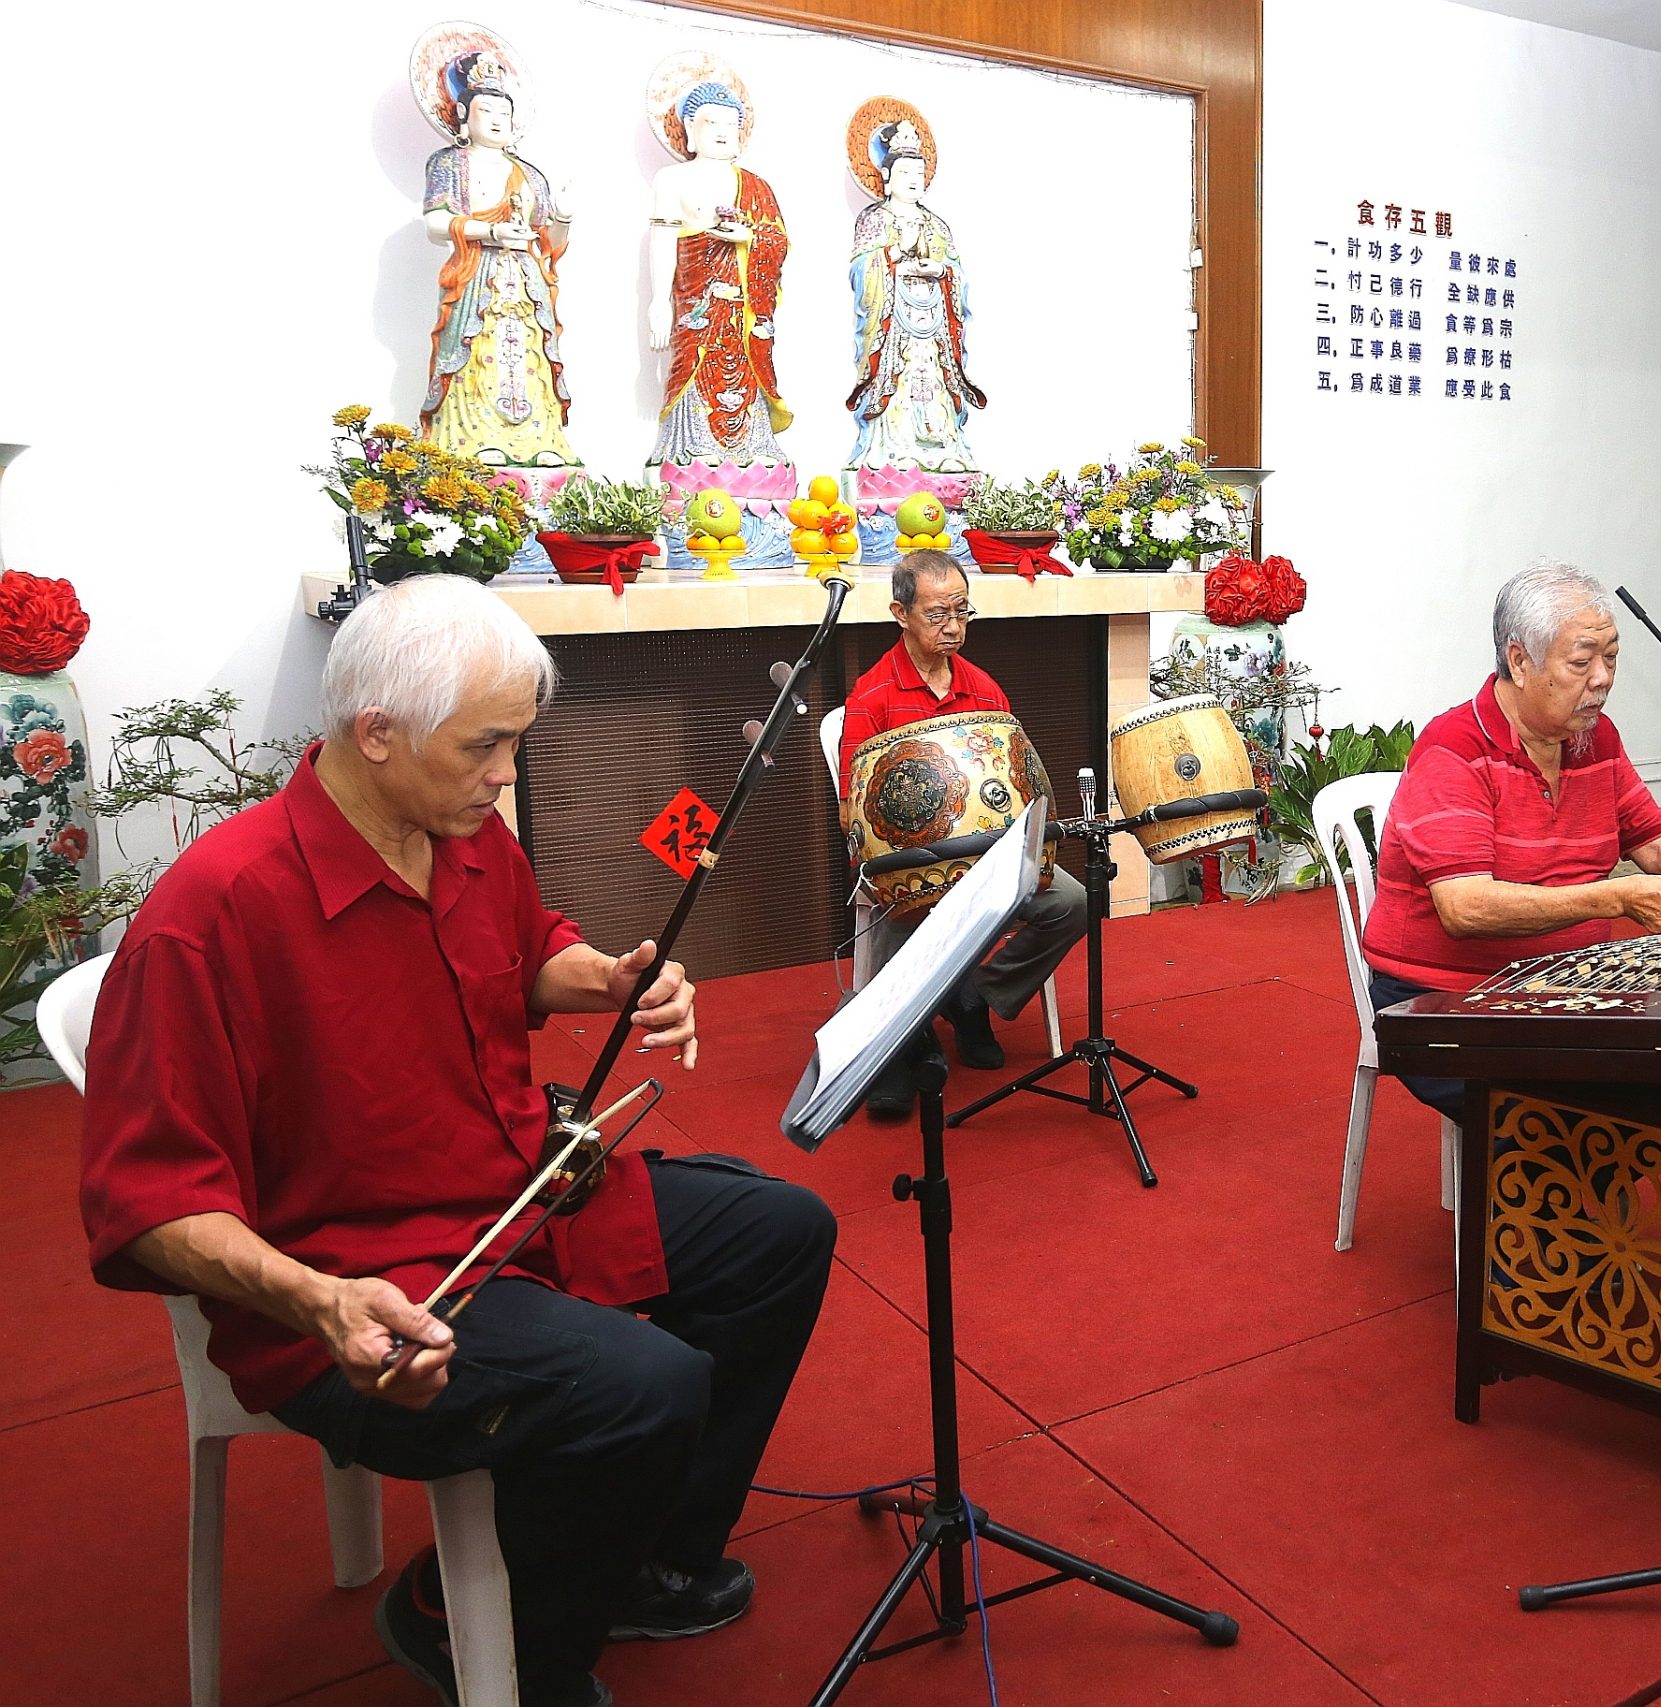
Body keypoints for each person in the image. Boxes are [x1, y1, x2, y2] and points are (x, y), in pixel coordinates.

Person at [78, 577, 835, 1707]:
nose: (508, 775)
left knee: (782, 1232)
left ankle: (643, 1555)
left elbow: (529, 953)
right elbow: (146, 1204)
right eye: (488, 746)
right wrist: (321, 1302)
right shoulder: (212, 914)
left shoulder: (466, 836)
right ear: (375, 734)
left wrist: (608, 980)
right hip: (360, 1277)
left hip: (511, 1190)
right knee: (646, 1387)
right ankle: (480, 1632)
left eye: (518, 744)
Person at [1360, 562, 1661, 1119]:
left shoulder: (1593, 738)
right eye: (1582, 662)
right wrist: (1616, 898)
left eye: (1611, 658)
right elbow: (1464, 908)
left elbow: (1653, 841)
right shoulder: (1455, 748)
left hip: (1567, 984)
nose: (1603, 678)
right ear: (1520, 661)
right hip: (1448, 1000)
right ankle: (1555, 1199)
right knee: (1577, 1107)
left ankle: (1578, 1195)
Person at [838, 549, 1085, 1117]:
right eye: (937, 614)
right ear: (900, 613)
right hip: (910, 864)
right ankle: (900, 1043)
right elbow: (851, 805)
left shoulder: (984, 690)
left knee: (1073, 900)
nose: (953, 627)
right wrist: (887, 866)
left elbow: (1017, 784)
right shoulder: (872, 697)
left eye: (962, 612)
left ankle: (974, 995)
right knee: (905, 913)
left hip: (987, 856)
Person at [418, 50, 576, 469]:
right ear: (463, 115)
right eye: (484, 110)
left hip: (525, 282)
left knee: (529, 359)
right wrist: (490, 231)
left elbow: (551, 243)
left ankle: (539, 441)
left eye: (504, 113)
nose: (495, 120)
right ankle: (472, 440)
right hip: (477, 275)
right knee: (474, 355)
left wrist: (563, 214)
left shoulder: (530, 174)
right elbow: (436, 223)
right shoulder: (450, 163)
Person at [648, 80, 795, 523]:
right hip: (698, 305)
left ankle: (754, 450)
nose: (722, 131)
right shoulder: (671, 179)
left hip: (745, 313)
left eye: (732, 124)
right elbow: (662, 239)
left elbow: (778, 241)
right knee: (694, 370)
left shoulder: (757, 186)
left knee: (749, 367)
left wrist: (748, 236)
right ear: (689, 130)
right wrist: (657, 301)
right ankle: (691, 448)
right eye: (711, 122)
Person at [846, 111, 986, 476]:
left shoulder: (936, 224)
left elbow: (957, 272)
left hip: (934, 326)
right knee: (901, 382)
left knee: (935, 379)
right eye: (905, 173)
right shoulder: (874, 219)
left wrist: (940, 270)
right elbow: (860, 268)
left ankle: (944, 449)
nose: (914, 181)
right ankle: (893, 449)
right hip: (894, 326)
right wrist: (894, 258)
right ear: (887, 176)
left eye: (919, 174)